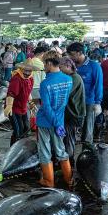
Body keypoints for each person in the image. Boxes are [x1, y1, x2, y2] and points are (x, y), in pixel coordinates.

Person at [36, 51, 73, 189]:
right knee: (60, 150)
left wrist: (55, 123)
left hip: (45, 122)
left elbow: (46, 107)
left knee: (45, 152)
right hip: (60, 120)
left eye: (45, 63)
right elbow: (63, 103)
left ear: (50, 63)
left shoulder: (45, 83)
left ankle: (48, 181)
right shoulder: (69, 79)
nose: (44, 66)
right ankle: (69, 180)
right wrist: (58, 123)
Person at [67, 42, 103, 146]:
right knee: (71, 127)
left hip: (88, 102)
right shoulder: (70, 66)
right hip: (72, 103)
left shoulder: (94, 66)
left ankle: (87, 150)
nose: (70, 57)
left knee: (87, 130)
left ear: (79, 53)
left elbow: (98, 84)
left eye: (72, 54)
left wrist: (98, 102)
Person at [59, 57, 86, 165]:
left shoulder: (75, 78)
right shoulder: (69, 77)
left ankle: (69, 161)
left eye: (61, 67)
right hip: (69, 113)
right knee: (66, 136)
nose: (59, 70)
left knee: (69, 138)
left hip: (74, 114)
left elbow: (65, 93)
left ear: (68, 66)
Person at [3, 58, 36, 146]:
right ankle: (13, 150)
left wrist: (31, 103)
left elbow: (28, 92)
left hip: (23, 107)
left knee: (26, 128)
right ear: (21, 69)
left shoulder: (30, 79)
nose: (27, 73)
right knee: (18, 130)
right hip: (13, 108)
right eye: (26, 70)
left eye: (30, 71)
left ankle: (21, 148)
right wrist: (9, 105)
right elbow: (11, 93)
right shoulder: (17, 79)